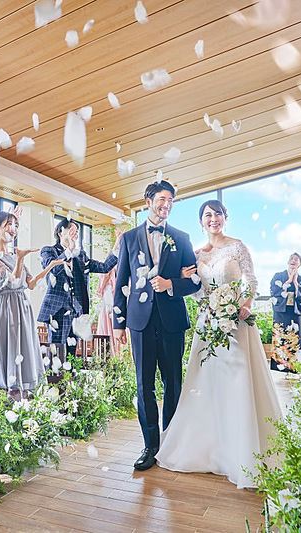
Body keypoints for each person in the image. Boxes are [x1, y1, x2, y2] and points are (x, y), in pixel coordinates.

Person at [155, 200, 281, 488]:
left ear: (226, 217)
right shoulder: (196, 254)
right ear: (201, 221)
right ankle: (207, 449)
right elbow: (194, 289)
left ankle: (242, 453)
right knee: (206, 383)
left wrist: (245, 305)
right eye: (208, 215)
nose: (213, 219)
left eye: (218, 214)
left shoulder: (238, 247)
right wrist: (185, 283)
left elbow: (252, 281)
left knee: (237, 381)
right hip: (207, 324)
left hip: (237, 323)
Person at [112, 180, 200, 471]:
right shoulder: (128, 238)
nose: (167, 205)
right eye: (162, 199)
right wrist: (118, 323)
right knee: (144, 384)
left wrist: (170, 283)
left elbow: (194, 281)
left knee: (172, 382)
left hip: (172, 321)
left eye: (171, 201)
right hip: (140, 322)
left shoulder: (182, 238)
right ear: (148, 201)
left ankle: (171, 442)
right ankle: (150, 446)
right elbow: (121, 282)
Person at [0, 211, 65, 392]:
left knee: (24, 344)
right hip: (5, 306)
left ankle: (24, 386)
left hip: (22, 305)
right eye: (9, 224)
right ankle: (7, 387)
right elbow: (12, 282)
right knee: (10, 343)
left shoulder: (15, 255)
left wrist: (50, 266)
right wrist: (20, 258)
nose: (13, 229)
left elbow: (30, 284)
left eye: (15, 225)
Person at [38, 218, 118, 357]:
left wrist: (117, 247)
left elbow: (104, 267)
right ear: (60, 232)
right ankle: (54, 372)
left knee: (71, 353)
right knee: (56, 352)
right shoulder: (48, 251)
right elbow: (53, 269)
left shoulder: (81, 256)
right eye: (72, 230)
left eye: (77, 232)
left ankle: (71, 372)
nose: (75, 234)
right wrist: (69, 250)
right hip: (57, 311)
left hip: (76, 311)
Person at [270, 253, 301, 353]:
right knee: (280, 337)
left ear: (300, 264)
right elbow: (273, 291)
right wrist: (288, 281)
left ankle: (294, 362)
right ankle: (279, 362)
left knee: (295, 338)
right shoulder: (278, 276)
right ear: (288, 261)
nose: (293, 260)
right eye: (291, 258)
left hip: (295, 312)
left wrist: (295, 282)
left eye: (296, 259)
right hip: (280, 310)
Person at [95, 268, 122, 354]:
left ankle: (109, 351)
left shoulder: (108, 265)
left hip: (109, 292)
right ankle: (115, 351)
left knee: (106, 320)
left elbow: (106, 274)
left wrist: (100, 289)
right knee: (110, 320)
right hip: (111, 292)